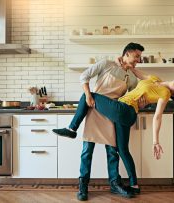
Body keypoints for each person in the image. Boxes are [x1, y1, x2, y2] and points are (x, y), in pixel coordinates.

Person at [53, 74, 174, 196]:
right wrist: (125, 63)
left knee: (88, 95)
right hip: (125, 113)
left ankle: (72, 129)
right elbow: (137, 72)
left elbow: (158, 117)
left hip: (124, 110)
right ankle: (134, 185)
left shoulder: (164, 93)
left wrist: (155, 141)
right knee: (122, 150)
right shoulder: (155, 79)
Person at [54, 43, 145, 201]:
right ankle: (83, 186)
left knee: (112, 152)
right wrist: (88, 95)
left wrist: (141, 101)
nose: (139, 60)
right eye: (137, 56)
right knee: (87, 151)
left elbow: (132, 97)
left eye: (140, 57)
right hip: (94, 108)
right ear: (127, 53)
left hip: (112, 113)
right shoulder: (106, 64)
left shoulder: (131, 77)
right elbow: (84, 76)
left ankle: (115, 184)